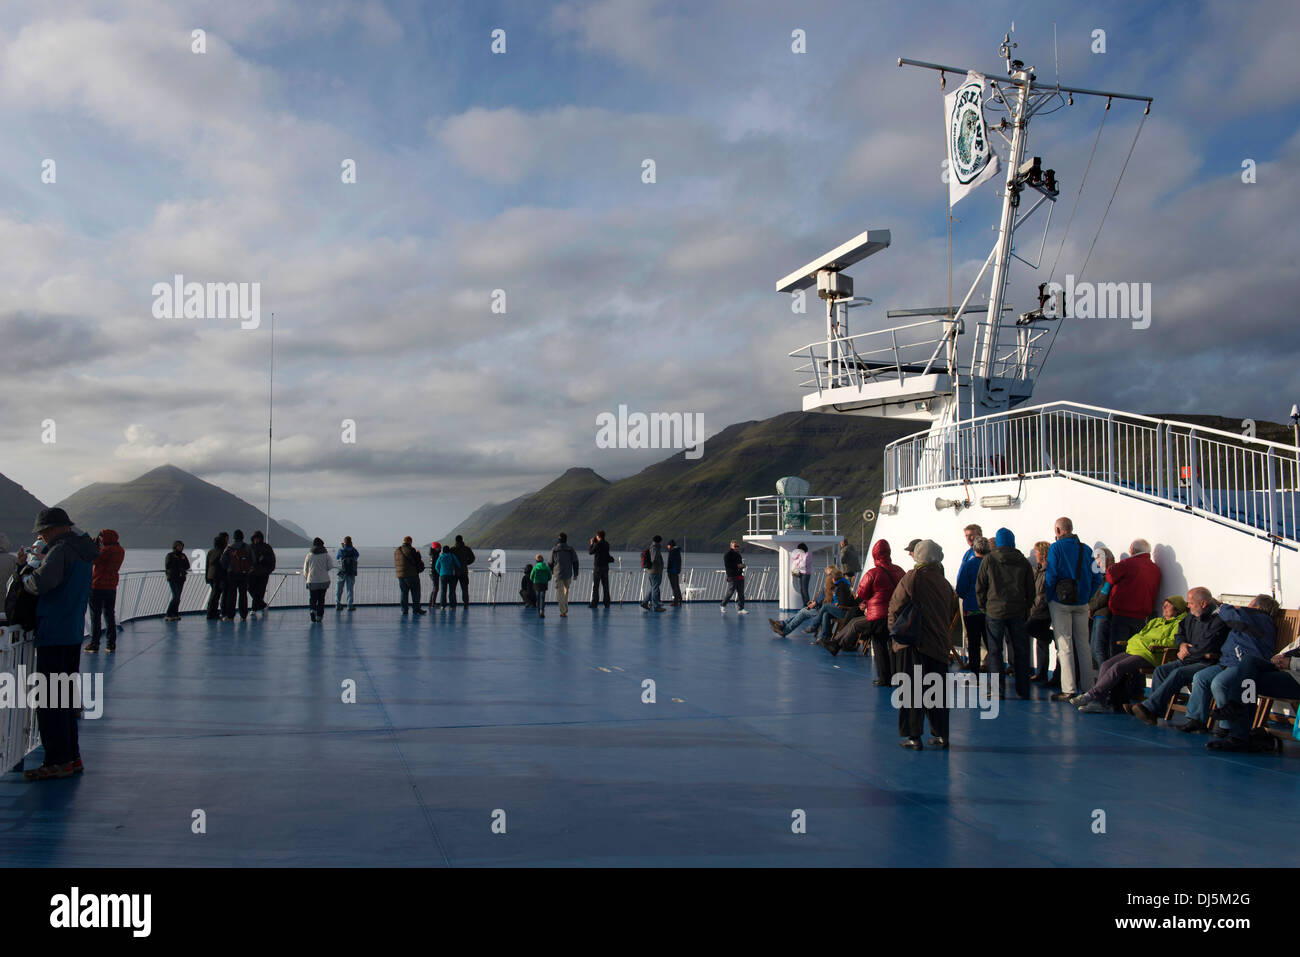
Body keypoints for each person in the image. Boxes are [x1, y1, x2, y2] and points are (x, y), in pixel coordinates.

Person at [13, 508, 98, 780]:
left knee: (50, 701)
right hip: (72, 632)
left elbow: (40, 584)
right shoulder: (84, 551)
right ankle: (72, 758)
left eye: (45, 530)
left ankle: (57, 761)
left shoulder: (61, 550)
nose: (42, 535)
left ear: (59, 528)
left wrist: (24, 574)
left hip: (54, 632)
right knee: (65, 699)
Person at [888, 539, 960, 750]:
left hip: (914, 643)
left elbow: (896, 605)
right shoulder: (944, 582)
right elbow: (949, 611)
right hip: (938, 644)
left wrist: (895, 637)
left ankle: (913, 736)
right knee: (936, 693)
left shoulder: (912, 578)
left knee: (911, 692)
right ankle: (940, 735)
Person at [1176, 595, 1285, 734]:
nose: (1245, 607)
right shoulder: (1251, 618)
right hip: (1228, 661)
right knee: (1200, 677)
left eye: (1249, 604)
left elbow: (1233, 616)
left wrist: (1221, 606)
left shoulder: (1260, 618)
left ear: (1257, 607)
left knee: (1219, 683)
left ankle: (1227, 726)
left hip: (1244, 665)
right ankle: (1197, 719)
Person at [1125, 587, 1228, 726]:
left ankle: (1149, 707)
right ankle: (1154, 712)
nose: (1188, 606)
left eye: (1191, 603)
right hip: (1188, 658)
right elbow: (1180, 633)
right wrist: (1182, 645)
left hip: (1207, 661)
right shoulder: (1192, 615)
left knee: (1178, 673)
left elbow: (1208, 646)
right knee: (1161, 671)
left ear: (1203, 604)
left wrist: (1187, 652)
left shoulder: (1218, 620)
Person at [1072, 596, 1186, 712]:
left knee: (1118, 667)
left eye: (1168, 605)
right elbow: (1141, 635)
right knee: (1106, 665)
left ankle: (1091, 695)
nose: (1164, 607)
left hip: (1151, 654)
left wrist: (1150, 643)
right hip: (1136, 650)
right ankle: (1099, 702)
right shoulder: (1156, 621)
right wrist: (1139, 642)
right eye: (1164, 604)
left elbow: (1172, 641)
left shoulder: (1179, 624)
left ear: (1177, 609)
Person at [1206, 637, 1300, 751]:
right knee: (1249, 662)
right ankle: (1237, 728)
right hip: (1285, 670)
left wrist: (1291, 663)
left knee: (1247, 681)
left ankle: (1238, 733)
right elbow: (1291, 648)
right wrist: (1278, 658)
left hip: (1296, 679)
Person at [1044, 517, 1100, 702]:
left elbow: (1051, 574)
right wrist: (1087, 595)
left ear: (1059, 530)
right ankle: (1088, 686)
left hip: (1060, 602)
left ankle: (1068, 689)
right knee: (1084, 645)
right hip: (1082, 602)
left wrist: (1049, 595)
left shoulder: (1056, 548)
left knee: (1065, 645)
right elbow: (1097, 577)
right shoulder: (1087, 549)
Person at [977, 528, 1036, 698]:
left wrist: (984, 607)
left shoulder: (988, 560)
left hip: (994, 612)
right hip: (1018, 612)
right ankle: (1023, 690)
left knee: (995, 651)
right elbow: (1030, 589)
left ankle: (997, 690)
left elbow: (980, 586)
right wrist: (1026, 607)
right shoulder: (1023, 561)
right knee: (1021, 651)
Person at [851, 539, 906, 684]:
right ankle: (897, 676)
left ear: (875, 554)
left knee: (880, 646)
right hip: (896, 614)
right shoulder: (899, 570)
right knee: (893, 645)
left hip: (878, 615)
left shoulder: (872, 573)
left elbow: (861, 593)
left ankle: (884, 678)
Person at [1104, 539, 1162, 663]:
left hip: (1122, 615)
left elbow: (1110, 575)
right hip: (1142, 617)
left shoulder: (1128, 563)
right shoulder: (1155, 569)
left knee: (1118, 651)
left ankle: (1118, 680)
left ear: (1132, 550)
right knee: (1135, 652)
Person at [85, 528, 124, 653]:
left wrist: (93, 547)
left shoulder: (106, 551)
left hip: (97, 586)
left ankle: (94, 644)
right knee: (109, 615)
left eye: (102, 537)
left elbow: (93, 560)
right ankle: (111, 644)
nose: (100, 539)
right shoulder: (120, 550)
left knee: (95, 616)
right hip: (111, 587)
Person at [955, 534, 987, 673]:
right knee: (991, 643)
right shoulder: (991, 564)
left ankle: (975, 673)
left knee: (973, 643)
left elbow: (961, 588)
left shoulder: (969, 565)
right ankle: (996, 678)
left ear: (974, 549)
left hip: (971, 609)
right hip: (989, 610)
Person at [813, 566, 860, 655]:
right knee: (826, 614)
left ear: (834, 579)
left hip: (845, 612)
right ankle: (825, 638)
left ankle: (814, 625)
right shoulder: (843, 584)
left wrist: (838, 604)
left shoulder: (841, 587)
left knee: (826, 607)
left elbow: (844, 602)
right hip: (845, 610)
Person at [1028, 541, 1055, 684]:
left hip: (1042, 610)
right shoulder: (1037, 569)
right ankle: (1041, 673)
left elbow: (1045, 592)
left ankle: (1052, 635)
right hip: (1035, 608)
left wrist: (1037, 606)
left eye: (1037, 552)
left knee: (1030, 629)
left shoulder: (1048, 571)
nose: (1035, 554)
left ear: (1043, 554)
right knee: (1041, 642)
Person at [1087, 547, 1116, 675]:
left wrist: (1090, 608)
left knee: (1098, 649)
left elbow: (1103, 596)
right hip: (1100, 614)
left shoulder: (1110, 575)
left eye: (1099, 561)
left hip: (1103, 615)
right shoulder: (1105, 575)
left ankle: (1105, 680)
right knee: (1097, 649)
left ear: (1107, 560)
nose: (1097, 565)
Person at [219, 529, 254, 621]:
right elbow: (253, 560)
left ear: (234, 537)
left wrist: (228, 568)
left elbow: (222, 562)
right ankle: (243, 615)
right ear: (242, 537)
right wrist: (249, 568)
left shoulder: (229, 547)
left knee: (232, 594)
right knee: (243, 594)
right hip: (244, 574)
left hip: (232, 574)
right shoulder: (247, 547)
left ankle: (230, 615)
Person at [302, 537, 334, 622]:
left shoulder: (309, 555)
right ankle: (319, 616)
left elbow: (305, 569)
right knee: (321, 599)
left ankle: (313, 610)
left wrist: (307, 577)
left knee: (313, 598)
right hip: (324, 580)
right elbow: (330, 566)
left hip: (312, 580)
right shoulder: (326, 555)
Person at [550, 532, 580, 616]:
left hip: (558, 573)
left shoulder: (554, 549)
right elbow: (575, 562)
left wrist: (551, 572)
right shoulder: (570, 549)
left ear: (558, 540)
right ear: (566, 540)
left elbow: (550, 563)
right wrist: (576, 573)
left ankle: (562, 611)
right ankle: (565, 609)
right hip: (568, 573)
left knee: (559, 593)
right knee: (566, 592)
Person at [394, 535, 425, 616]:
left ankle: (404, 609)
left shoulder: (397, 550)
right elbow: (416, 561)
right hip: (412, 575)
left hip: (400, 576)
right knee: (415, 592)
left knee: (404, 593)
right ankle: (416, 609)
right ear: (410, 542)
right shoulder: (411, 550)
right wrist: (418, 554)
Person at [249, 530, 276, 617]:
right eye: (255, 538)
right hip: (252, 574)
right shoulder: (250, 547)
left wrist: (267, 568)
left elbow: (272, 560)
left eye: (257, 538)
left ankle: (254, 608)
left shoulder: (267, 548)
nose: (256, 540)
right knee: (251, 589)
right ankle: (262, 605)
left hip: (263, 573)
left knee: (259, 592)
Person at [163, 540, 190, 621]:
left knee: (178, 597)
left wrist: (183, 560)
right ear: (175, 546)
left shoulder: (183, 555)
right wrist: (177, 561)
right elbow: (168, 565)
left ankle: (175, 613)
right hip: (173, 578)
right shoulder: (170, 555)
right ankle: (168, 614)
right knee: (175, 596)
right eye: (179, 546)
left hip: (181, 578)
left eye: (181, 546)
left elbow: (187, 566)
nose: (180, 547)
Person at [205, 532, 228, 619]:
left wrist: (206, 577)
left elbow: (207, 565)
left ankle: (211, 611)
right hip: (218, 576)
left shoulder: (211, 551)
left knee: (214, 595)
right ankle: (211, 612)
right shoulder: (222, 552)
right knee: (215, 595)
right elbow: (224, 564)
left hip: (210, 576)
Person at [588, 531, 612, 608]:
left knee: (596, 586)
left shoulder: (597, 544)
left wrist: (592, 543)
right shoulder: (607, 544)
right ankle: (607, 602)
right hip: (605, 566)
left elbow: (591, 552)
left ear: (598, 536)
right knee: (605, 585)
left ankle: (594, 602)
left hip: (598, 567)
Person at [720, 541, 746, 614]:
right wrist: (738, 566)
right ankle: (723, 605)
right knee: (730, 592)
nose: (737, 547)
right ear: (731, 546)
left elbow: (740, 564)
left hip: (739, 576)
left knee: (741, 593)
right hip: (732, 576)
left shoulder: (738, 555)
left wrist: (743, 566)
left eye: (738, 546)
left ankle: (741, 609)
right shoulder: (728, 555)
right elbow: (727, 565)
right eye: (735, 546)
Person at [450, 535, 475, 608]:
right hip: (464, 571)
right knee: (464, 589)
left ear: (455, 540)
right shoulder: (467, 549)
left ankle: (453, 605)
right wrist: (466, 563)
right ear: (462, 540)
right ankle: (466, 604)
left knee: (452, 589)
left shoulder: (452, 549)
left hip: (454, 572)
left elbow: (450, 560)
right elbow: (472, 558)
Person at [335, 536, 359, 611]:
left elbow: (337, 557)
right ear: (351, 542)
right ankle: (349, 605)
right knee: (350, 589)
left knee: (339, 589)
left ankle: (338, 604)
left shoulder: (341, 550)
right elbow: (357, 555)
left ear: (344, 542)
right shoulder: (353, 550)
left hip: (341, 572)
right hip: (351, 572)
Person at [436, 544, 462, 609]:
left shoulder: (441, 556)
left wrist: (440, 573)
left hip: (443, 575)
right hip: (451, 575)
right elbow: (458, 564)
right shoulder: (452, 556)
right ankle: (452, 605)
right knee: (452, 591)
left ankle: (442, 605)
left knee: (443, 591)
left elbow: (436, 566)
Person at [529, 554, 551, 618]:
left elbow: (531, 576)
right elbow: (549, 576)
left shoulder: (535, 567)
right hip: (544, 583)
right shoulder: (547, 567)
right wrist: (546, 579)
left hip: (536, 583)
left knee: (538, 597)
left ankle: (539, 611)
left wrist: (534, 580)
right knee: (542, 597)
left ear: (536, 561)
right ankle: (542, 611)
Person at [665, 540, 683, 606]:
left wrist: (668, 569)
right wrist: (678, 570)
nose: (667, 546)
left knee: (674, 587)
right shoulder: (677, 551)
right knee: (677, 586)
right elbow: (679, 562)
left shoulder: (672, 551)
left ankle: (675, 601)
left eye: (668, 545)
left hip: (672, 571)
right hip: (676, 571)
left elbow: (670, 562)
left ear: (670, 545)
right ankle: (679, 599)